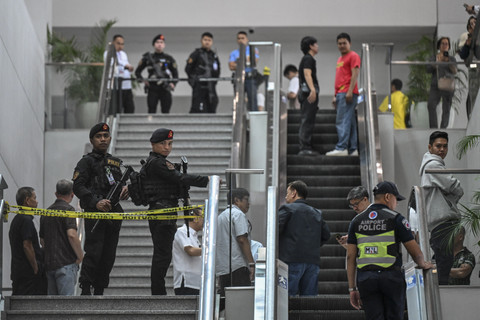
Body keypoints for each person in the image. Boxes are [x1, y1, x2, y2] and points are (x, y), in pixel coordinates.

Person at [347, 181, 433, 320]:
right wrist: (423, 263)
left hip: (366, 279)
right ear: (388, 197)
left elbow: (350, 257)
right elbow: (414, 250)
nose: (396, 203)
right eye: (396, 199)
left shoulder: (356, 221)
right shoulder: (396, 218)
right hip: (391, 277)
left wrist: (352, 289)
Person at [143, 128, 209, 295]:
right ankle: (158, 293)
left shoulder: (161, 162)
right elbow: (178, 178)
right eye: (163, 143)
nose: (167, 147)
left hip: (166, 210)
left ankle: (158, 292)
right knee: (162, 255)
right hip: (162, 212)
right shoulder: (157, 163)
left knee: (163, 254)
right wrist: (206, 180)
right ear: (153, 144)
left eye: (170, 144)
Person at [72, 122, 128, 295]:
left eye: (106, 136)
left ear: (110, 138)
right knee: (94, 251)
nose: (103, 139)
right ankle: (86, 286)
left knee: (109, 255)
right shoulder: (86, 162)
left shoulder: (115, 162)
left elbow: (118, 184)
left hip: (113, 213)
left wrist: (127, 190)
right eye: (99, 136)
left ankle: (100, 288)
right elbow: (78, 187)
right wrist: (95, 202)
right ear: (92, 140)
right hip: (95, 213)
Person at [419, 131, 464, 285]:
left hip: (438, 221)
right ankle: (441, 292)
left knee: (442, 259)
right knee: (444, 261)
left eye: (445, 146)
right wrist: (455, 193)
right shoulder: (432, 165)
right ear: (430, 148)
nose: (442, 149)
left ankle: (440, 289)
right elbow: (455, 186)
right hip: (442, 221)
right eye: (438, 146)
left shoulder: (431, 165)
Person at [279, 180, 330, 296]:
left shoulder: (287, 209)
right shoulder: (316, 213)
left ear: (294, 193)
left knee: (287, 297)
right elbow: (326, 235)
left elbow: (276, 230)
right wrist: (312, 246)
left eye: (287, 192)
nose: (286, 196)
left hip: (291, 260)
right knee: (309, 299)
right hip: (312, 261)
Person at [39, 179, 83, 295]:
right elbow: (72, 235)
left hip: (49, 265)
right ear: (72, 194)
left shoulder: (46, 212)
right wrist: (80, 256)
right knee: (66, 305)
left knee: (52, 306)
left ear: (56, 194)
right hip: (66, 263)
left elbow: (42, 241)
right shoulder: (69, 210)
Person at [326, 33, 361, 157]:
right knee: (349, 121)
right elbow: (340, 77)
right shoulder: (340, 59)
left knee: (342, 121)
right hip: (341, 93)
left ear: (349, 43)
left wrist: (350, 91)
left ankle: (341, 147)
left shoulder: (353, 56)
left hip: (347, 92)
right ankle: (353, 149)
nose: (342, 45)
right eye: (339, 43)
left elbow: (355, 74)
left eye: (344, 43)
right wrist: (335, 95)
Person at [216, 188, 255, 297]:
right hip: (238, 266)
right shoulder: (238, 214)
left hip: (224, 268)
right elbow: (242, 239)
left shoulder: (221, 216)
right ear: (237, 200)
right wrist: (251, 263)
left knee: (226, 299)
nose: (248, 203)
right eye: (246, 200)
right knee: (241, 299)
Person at [9, 187, 47, 295]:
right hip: (27, 274)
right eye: (34, 198)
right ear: (27, 200)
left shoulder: (17, 219)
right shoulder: (26, 221)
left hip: (19, 271)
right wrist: (35, 267)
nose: (37, 201)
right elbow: (27, 245)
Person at [135, 34, 178, 114]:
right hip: (152, 88)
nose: (159, 44)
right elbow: (137, 72)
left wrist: (173, 83)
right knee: (151, 110)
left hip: (165, 88)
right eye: (157, 42)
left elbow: (175, 74)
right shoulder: (148, 58)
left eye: (161, 42)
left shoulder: (169, 58)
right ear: (154, 44)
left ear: (164, 45)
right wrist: (143, 80)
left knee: (166, 111)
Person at [185, 32, 220, 113]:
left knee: (212, 105)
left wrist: (214, 81)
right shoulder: (196, 54)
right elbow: (188, 68)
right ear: (201, 41)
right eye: (205, 40)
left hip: (211, 86)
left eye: (209, 40)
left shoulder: (213, 55)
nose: (207, 42)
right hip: (199, 86)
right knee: (197, 107)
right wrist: (194, 80)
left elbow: (217, 70)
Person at [426, 37, 457, 129]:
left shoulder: (452, 58)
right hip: (436, 85)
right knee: (431, 104)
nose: (445, 45)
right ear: (439, 46)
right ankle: (433, 127)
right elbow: (428, 69)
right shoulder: (434, 57)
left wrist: (448, 62)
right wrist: (437, 62)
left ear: (449, 46)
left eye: (446, 44)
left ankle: (444, 127)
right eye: (442, 43)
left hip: (448, 85)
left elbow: (454, 71)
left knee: (446, 108)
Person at [172, 208, 203, 295]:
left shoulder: (194, 236)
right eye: (202, 217)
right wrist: (209, 249)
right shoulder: (182, 231)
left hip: (196, 282)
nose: (204, 220)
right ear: (194, 217)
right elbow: (190, 250)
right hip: (186, 282)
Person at [297, 36, 320, 156]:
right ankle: (305, 147)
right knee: (307, 120)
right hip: (308, 93)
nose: (317, 46)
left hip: (305, 92)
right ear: (311, 46)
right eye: (316, 44)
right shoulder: (308, 59)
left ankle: (306, 146)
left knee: (308, 119)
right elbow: (307, 73)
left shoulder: (306, 59)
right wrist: (313, 90)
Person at [229, 31, 260, 111]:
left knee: (253, 100)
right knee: (238, 100)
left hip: (250, 78)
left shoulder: (252, 50)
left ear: (247, 39)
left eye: (243, 38)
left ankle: (254, 120)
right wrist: (246, 61)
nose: (240, 40)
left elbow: (254, 62)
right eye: (238, 38)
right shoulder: (234, 53)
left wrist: (238, 61)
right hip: (239, 78)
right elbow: (231, 66)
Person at [104, 34, 135, 114]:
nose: (120, 46)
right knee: (116, 109)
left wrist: (129, 67)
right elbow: (112, 64)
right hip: (115, 86)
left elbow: (126, 64)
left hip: (126, 85)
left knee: (130, 108)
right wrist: (126, 66)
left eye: (122, 44)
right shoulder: (108, 53)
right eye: (118, 43)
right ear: (113, 43)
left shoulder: (124, 54)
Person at [459, 16, 478, 120]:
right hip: (474, 69)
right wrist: (467, 44)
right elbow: (463, 55)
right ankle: (473, 119)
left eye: (475, 22)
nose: (474, 25)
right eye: (471, 24)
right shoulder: (468, 37)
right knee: (473, 95)